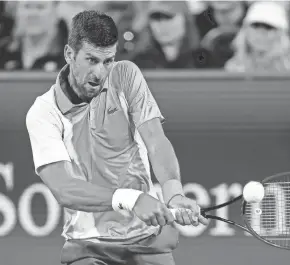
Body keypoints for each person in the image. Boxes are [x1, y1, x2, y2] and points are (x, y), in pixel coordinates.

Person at [25, 10, 208, 265]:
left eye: (108, 60)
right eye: (91, 60)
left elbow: (156, 140)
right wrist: (131, 199)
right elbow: (64, 189)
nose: (100, 72)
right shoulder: (44, 112)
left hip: (148, 242)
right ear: (69, 54)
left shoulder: (125, 75)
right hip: (88, 246)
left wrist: (174, 192)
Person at [224, 1, 290, 72]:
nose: (261, 32)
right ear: (245, 31)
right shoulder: (233, 68)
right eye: (256, 25)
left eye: (268, 27)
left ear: (281, 34)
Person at [132, 1, 211, 69]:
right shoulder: (141, 62)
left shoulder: (203, 59)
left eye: (168, 18)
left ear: (185, 19)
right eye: (156, 18)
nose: (162, 25)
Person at [0, 1, 67, 71]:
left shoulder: (70, 56)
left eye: (40, 7)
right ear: (16, 12)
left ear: (56, 12)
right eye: (27, 6)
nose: (32, 13)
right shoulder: (3, 52)